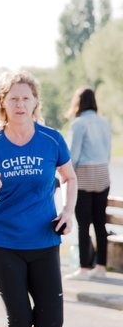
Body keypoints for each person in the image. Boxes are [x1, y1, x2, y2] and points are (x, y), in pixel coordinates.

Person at [0, 70, 77, 327]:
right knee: (20, 323)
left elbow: (69, 178)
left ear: (35, 102)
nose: (20, 105)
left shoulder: (52, 140)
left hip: (44, 242)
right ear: (2, 102)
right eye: (14, 99)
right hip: (3, 244)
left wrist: (67, 210)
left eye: (26, 98)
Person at [64, 87, 111, 280]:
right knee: (100, 223)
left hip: (83, 173)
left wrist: (65, 176)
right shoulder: (104, 122)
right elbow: (108, 151)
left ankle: (83, 268)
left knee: (83, 223)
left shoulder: (78, 123)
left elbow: (73, 155)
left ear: (78, 102)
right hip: (102, 172)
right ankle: (101, 267)